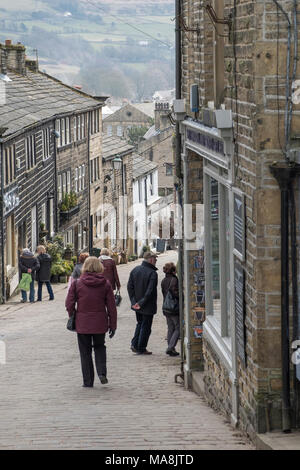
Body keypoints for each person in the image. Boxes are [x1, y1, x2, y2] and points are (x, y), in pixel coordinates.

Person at [65, 257, 117, 387]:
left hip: (82, 323)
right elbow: (111, 307)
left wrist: (72, 315)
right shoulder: (105, 284)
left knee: (85, 352)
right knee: (100, 347)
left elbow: (69, 303)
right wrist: (113, 325)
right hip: (100, 322)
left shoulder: (77, 284)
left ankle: (88, 381)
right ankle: (101, 373)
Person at [127, 251, 158, 355]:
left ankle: (134, 344)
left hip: (137, 304)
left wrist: (134, 302)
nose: (156, 261)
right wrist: (140, 303)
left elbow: (129, 287)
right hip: (147, 304)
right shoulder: (152, 273)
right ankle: (141, 347)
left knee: (140, 323)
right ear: (151, 259)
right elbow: (150, 291)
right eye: (155, 259)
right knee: (146, 326)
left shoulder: (135, 270)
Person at [161, 262, 180, 356]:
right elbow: (174, 292)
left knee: (170, 328)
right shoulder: (174, 279)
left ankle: (170, 348)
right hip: (173, 308)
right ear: (173, 270)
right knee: (178, 328)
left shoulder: (164, 280)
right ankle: (170, 347)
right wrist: (182, 297)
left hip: (166, 307)